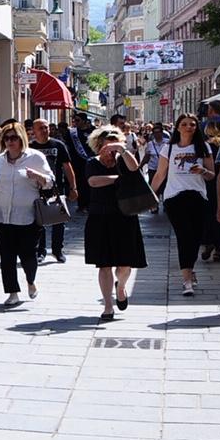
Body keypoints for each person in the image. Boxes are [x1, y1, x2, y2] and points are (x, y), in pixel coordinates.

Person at [83, 126, 147, 320]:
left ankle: (121, 287)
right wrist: (120, 179)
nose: (110, 149)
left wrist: (122, 150)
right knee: (104, 264)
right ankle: (108, 305)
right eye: (106, 144)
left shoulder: (123, 160)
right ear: (99, 146)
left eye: (114, 144)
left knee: (125, 264)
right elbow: (94, 181)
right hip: (100, 216)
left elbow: (135, 169)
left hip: (125, 216)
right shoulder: (92, 162)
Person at [150, 113, 216, 297]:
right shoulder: (168, 148)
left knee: (195, 238)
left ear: (197, 128)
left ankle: (190, 268)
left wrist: (203, 170)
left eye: (192, 125)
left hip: (198, 197)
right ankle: (187, 279)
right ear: (178, 127)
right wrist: (150, 196)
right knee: (183, 236)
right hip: (174, 198)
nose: (189, 127)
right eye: (185, 124)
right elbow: (159, 175)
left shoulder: (204, 148)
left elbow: (212, 175)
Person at [0, 122, 54, 306]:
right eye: (6, 138)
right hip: (3, 216)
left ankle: (30, 280)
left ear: (22, 139)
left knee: (28, 255)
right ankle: (12, 292)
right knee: (7, 257)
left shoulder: (35, 157)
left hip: (28, 216)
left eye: (14, 138)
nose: (10, 142)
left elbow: (50, 182)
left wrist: (38, 176)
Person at [29, 117, 78, 263]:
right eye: (41, 128)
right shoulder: (30, 147)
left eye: (46, 127)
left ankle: (57, 250)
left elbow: (67, 167)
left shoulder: (58, 145)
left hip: (57, 188)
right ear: (34, 131)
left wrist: (73, 187)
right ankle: (40, 251)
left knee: (59, 220)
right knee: (39, 222)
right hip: (36, 189)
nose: (44, 130)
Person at [201, 121, 220, 262]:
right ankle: (218, 249)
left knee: (208, 215)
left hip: (207, 184)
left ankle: (209, 241)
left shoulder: (204, 146)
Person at [68, 112, 96, 211]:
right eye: (74, 120)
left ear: (84, 121)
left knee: (91, 183)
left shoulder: (93, 131)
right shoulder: (72, 133)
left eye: (78, 120)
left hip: (92, 161)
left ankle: (90, 204)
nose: (75, 122)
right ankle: (81, 205)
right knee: (80, 183)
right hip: (77, 162)